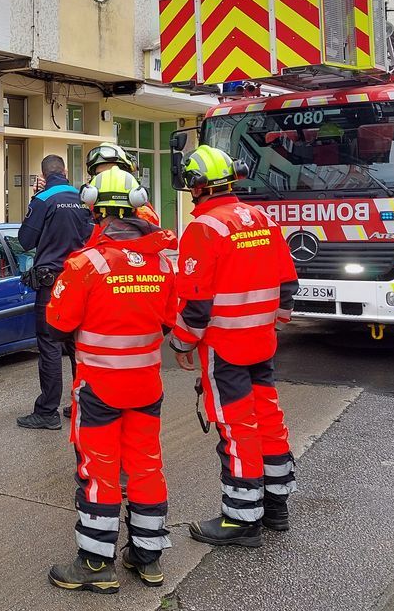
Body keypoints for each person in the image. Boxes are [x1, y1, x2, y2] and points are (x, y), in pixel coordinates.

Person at [45, 167, 178, 594]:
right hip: (146, 386)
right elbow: (170, 320)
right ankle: (147, 558)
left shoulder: (87, 263)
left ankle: (95, 562)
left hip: (100, 387)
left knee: (99, 471)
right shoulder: (160, 262)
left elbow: (58, 320)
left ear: (94, 210)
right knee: (145, 467)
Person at [169, 145, 299, 547]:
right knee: (268, 420)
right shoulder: (262, 218)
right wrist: (269, 324)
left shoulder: (205, 228)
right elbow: (287, 286)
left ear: (198, 185)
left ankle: (241, 519)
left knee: (235, 426)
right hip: (261, 342)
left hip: (224, 346)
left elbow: (196, 302)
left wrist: (180, 343)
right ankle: (276, 506)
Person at [16, 155, 93, 430]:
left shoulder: (43, 199)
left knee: (49, 344)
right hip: (81, 281)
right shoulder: (83, 198)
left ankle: (47, 411)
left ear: (44, 174)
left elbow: (25, 241)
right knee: (76, 345)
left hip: (52, 284)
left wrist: (34, 200)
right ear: (65, 171)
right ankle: (82, 403)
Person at [85, 143, 163, 226]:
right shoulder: (90, 210)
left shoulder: (144, 214)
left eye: (111, 173)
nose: (106, 178)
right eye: (99, 175)